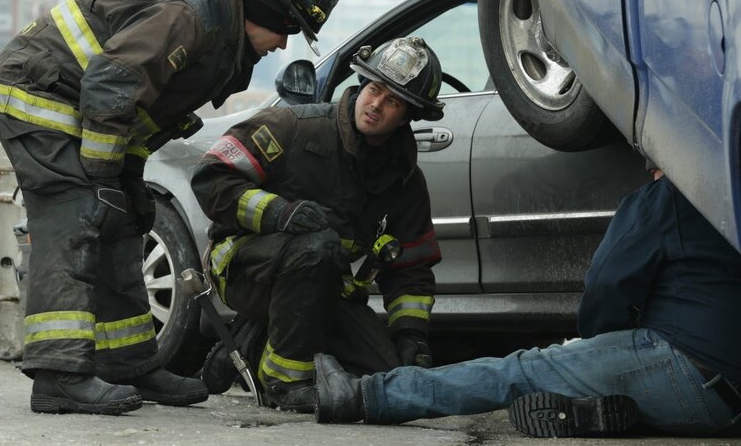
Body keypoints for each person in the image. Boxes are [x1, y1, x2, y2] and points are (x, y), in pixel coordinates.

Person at [0, 0, 348, 415]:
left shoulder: (221, 34)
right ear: (265, 8)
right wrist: (103, 177)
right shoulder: (190, 20)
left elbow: (139, 110)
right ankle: (58, 376)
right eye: (288, 29)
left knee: (126, 219)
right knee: (75, 215)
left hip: (86, 109)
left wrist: (125, 182)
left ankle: (129, 365)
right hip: (37, 97)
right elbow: (111, 85)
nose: (283, 43)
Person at [315, 168, 741, 438]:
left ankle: (361, 396)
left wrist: (591, 343)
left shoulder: (669, 197)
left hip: (689, 372)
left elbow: (607, 284)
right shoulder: (731, 198)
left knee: (523, 370)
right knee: (605, 375)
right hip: (729, 403)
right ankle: (588, 409)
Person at [190, 36, 445, 412]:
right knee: (318, 248)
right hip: (243, 268)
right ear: (360, 85)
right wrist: (278, 212)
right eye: (374, 89)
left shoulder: (404, 181)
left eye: (392, 101)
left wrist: (411, 335)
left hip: (323, 285)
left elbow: (412, 268)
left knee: (386, 373)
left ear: (408, 115)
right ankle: (283, 382)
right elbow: (211, 179)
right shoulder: (294, 127)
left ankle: (252, 341)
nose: (375, 105)